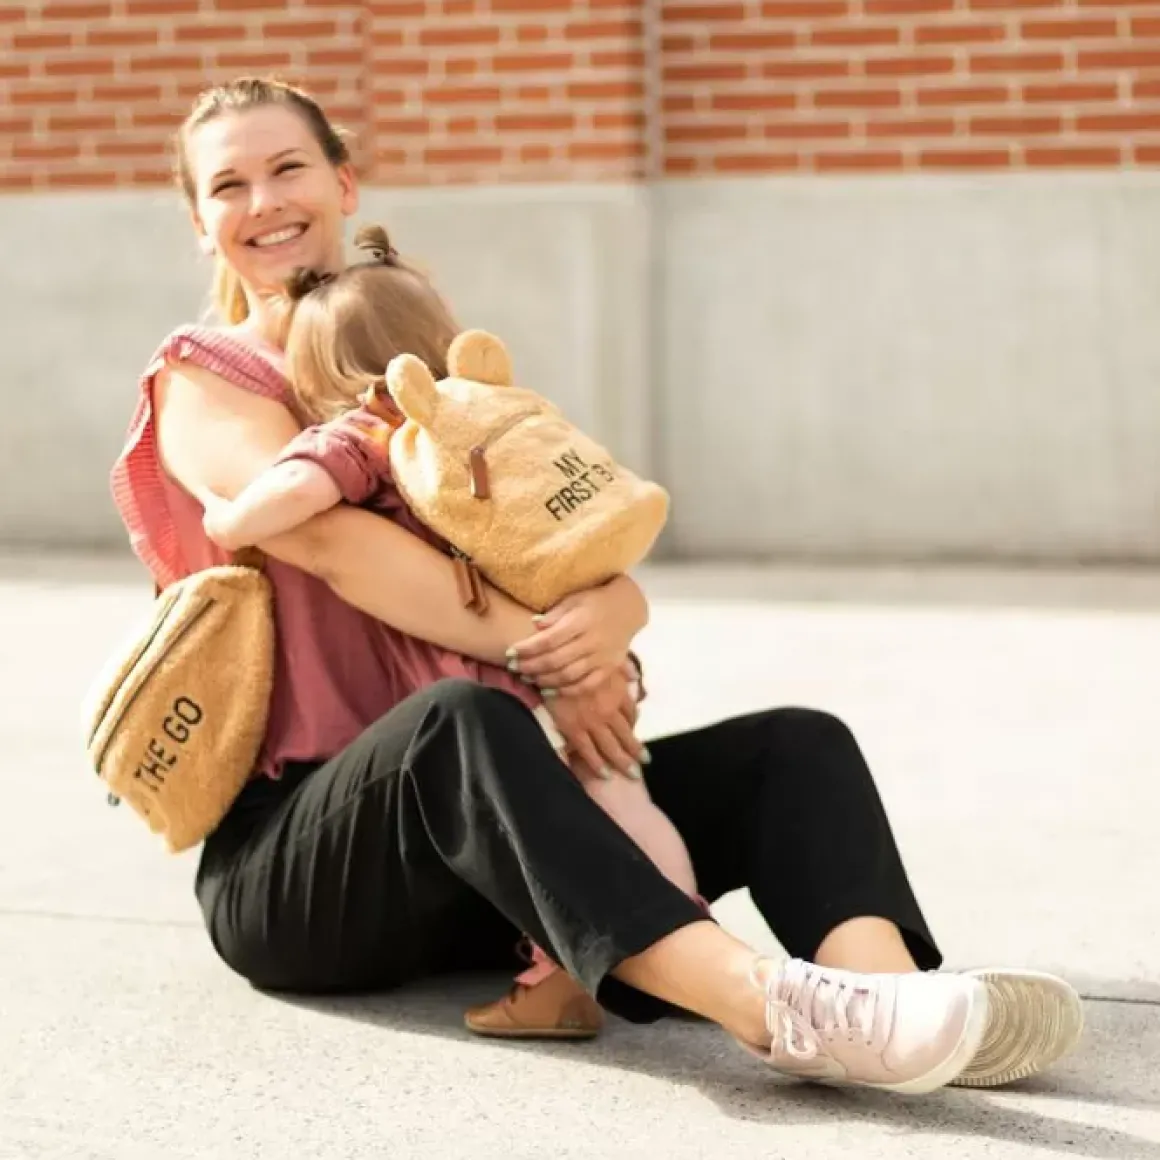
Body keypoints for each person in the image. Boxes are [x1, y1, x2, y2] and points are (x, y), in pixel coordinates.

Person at [108, 74, 1084, 1095]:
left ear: (344, 184)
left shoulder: (416, 360)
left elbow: (550, 537)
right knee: (457, 723)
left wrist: (616, 612)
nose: (263, 201)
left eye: (287, 167)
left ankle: (886, 1005)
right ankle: (775, 1007)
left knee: (794, 746)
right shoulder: (206, 374)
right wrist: (552, 655)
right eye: (229, 184)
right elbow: (332, 547)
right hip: (310, 866)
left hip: (491, 855)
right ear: (198, 221)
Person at [192, 230, 702, 1037]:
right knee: (615, 794)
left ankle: (562, 973)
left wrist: (225, 516)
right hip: (544, 675)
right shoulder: (501, 424)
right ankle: (688, 938)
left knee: (533, 842)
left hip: (468, 696)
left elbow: (287, 497)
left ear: (336, 383)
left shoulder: (376, 438)